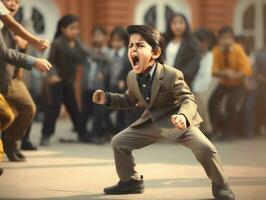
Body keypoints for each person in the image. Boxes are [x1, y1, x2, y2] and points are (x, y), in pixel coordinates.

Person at [92, 25, 235, 200]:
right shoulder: (131, 76)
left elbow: (188, 100)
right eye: (131, 46)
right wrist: (107, 98)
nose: (133, 49)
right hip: (151, 122)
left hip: (177, 121)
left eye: (140, 45)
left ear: (156, 53)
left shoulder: (171, 74)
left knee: (206, 148)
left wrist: (183, 117)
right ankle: (131, 181)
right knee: (119, 142)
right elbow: (129, 99)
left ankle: (221, 186)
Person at [0, 0, 51, 165]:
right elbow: (4, 53)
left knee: (28, 108)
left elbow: (17, 52)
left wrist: (23, 46)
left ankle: (11, 142)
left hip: (11, 78)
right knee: (6, 115)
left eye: (17, 1)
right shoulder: (3, 23)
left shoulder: (18, 27)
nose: (14, 3)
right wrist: (34, 61)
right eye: (9, 0)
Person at [41, 14, 88, 146]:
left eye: (77, 28)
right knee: (54, 108)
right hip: (56, 82)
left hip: (68, 81)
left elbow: (87, 54)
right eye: (72, 28)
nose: (75, 31)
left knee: (73, 107)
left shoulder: (78, 43)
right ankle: (45, 135)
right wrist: (52, 75)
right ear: (63, 29)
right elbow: (50, 62)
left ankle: (82, 134)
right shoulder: (57, 43)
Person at [209, 27, 252, 140]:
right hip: (224, 83)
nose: (226, 41)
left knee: (231, 105)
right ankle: (216, 129)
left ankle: (230, 132)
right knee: (212, 103)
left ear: (233, 39)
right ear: (218, 40)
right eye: (223, 38)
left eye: (229, 38)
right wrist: (225, 73)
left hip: (238, 84)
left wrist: (235, 75)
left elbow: (246, 69)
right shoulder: (216, 50)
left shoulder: (238, 49)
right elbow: (214, 70)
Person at [79, 26, 112, 144]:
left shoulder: (108, 52)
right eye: (94, 35)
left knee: (99, 111)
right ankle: (83, 134)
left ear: (105, 37)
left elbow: (110, 69)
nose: (96, 38)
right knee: (85, 110)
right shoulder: (89, 52)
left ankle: (96, 134)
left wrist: (105, 74)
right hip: (87, 85)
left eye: (99, 35)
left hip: (101, 86)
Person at [165, 12, 201, 87]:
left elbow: (195, 62)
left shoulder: (191, 42)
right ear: (170, 25)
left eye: (181, 22)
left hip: (182, 81)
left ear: (186, 24)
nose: (178, 26)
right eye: (174, 23)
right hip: (165, 80)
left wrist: (182, 76)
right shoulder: (166, 41)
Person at [192, 27, 216, 136]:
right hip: (195, 86)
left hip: (208, 86)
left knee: (200, 101)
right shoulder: (194, 55)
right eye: (200, 42)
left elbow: (208, 75)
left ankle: (207, 130)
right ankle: (206, 130)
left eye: (206, 42)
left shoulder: (211, 55)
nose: (203, 45)